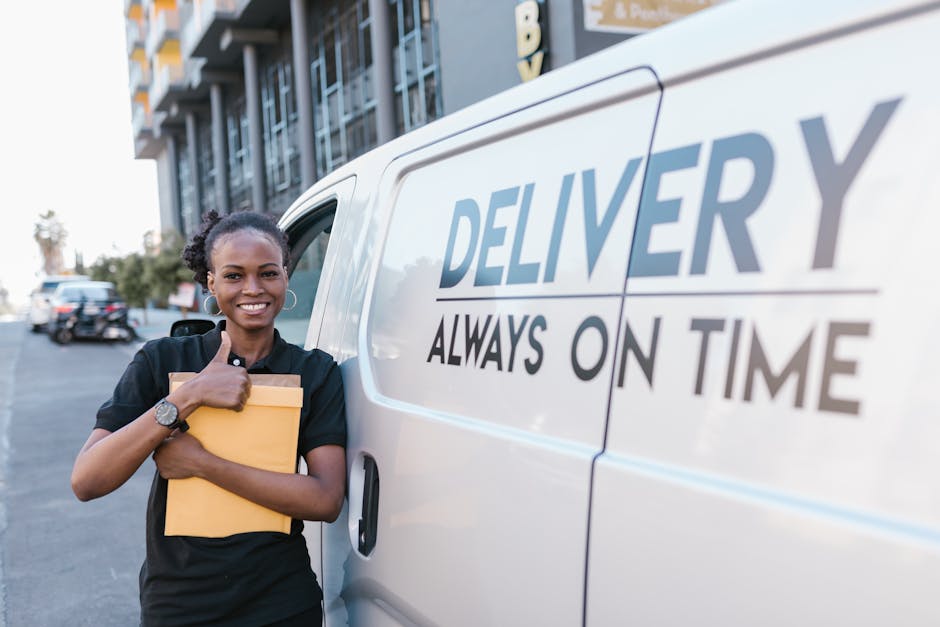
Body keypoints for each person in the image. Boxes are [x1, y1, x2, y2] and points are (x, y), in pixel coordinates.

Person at [71, 210, 347, 626]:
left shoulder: (315, 372)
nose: (253, 288)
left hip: (282, 602)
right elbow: (87, 480)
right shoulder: (162, 360)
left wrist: (203, 464)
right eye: (234, 275)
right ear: (210, 283)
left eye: (268, 273)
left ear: (286, 276)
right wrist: (189, 396)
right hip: (180, 603)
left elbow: (325, 499)